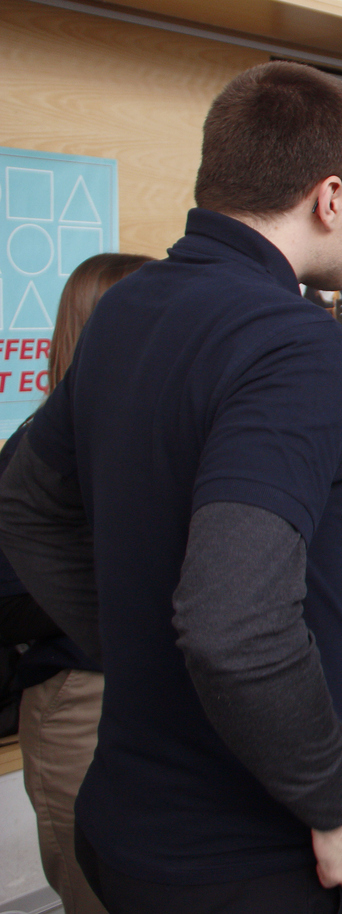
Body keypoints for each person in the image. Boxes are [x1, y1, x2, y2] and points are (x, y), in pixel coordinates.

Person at [0, 61, 342, 912]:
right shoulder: (296, 343)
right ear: (331, 197)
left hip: (129, 827)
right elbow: (231, 623)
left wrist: (132, 644)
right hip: (250, 854)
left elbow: (28, 505)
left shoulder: (127, 308)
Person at [0, 253, 150, 914]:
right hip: (81, 698)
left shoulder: (144, 438)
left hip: (153, 696)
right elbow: (13, 598)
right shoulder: (44, 455)